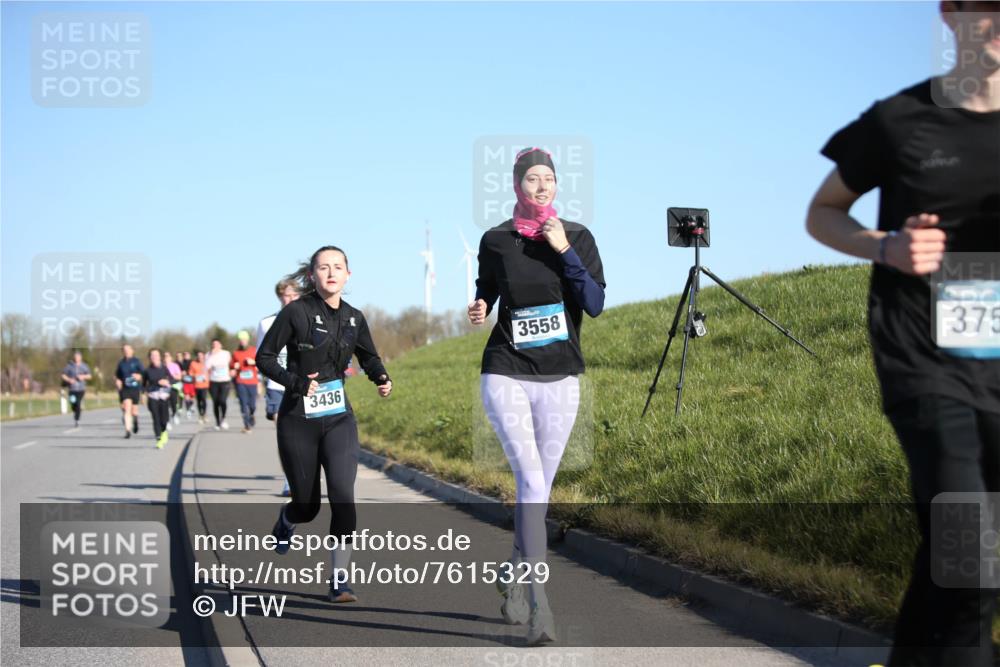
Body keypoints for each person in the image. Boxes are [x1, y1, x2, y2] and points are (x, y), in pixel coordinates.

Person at [806, 4, 999, 664]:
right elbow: (823, 212)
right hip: (926, 357)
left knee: (968, 570)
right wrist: (887, 246)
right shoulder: (900, 119)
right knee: (969, 546)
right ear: (951, 14)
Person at [469, 147, 606, 644]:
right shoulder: (496, 240)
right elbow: (487, 287)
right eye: (532, 179)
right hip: (506, 369)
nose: (541, 186)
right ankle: (540, 606)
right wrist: (482, 304)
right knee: (529, 481)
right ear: (516, 186)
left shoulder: (579, 237)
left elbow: (593, 304)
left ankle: (512, 574)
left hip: (561, 375)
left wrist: (564, 249)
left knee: (537, 494)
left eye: (549, 178)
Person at [256, 245, 392, 603]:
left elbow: (368, 355)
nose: (331, 273)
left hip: (338, 419)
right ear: (312, 276)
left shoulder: (354, 317)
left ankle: (340, 580)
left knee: (344, 498)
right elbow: (264, 358)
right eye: (323, 267)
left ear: (348, 275)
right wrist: (298, 382)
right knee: (307, 506)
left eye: (338, 267)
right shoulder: (296, 313)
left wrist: (380, 376)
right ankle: (288, 520)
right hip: (297, 420)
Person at [256, 278, 303, 496]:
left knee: (304, 436)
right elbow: (261, 357)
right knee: (285, 436)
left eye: (295, 294)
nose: (291, 298)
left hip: (303, 386)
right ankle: (290, 481)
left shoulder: (308, 320)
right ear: (279, 297)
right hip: (277, 385)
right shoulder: (266, 324)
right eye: (287, 295)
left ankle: (307, 474)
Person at [142, 348, 173, 449]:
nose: (154, 357)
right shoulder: (147, 371)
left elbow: (172, 379)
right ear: (150, 358)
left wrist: (167, 382)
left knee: (164, 420)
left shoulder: (164, 368)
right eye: (152, 355)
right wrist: (143, 393)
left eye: (156, 355)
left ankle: (164, 431)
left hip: (163, 396)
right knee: (155, 417)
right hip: (152, 395)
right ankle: (158, 438)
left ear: (160, 357)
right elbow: (143, 384)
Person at [114, 344, 144, 439]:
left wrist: (139, 376)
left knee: (134, 410)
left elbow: (143, 373)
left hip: (135, 388)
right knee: (127, 408)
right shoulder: (121, 363)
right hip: (125, 388)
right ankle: (127, 431)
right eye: (124, 350)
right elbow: (117, 376)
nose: (126, 351)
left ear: (132, 350)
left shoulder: (137, 361)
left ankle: (135, 420)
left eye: (128, 349)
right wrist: (117, 381)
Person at [205, 338, 232, 430]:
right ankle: (217, 422)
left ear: (221, 345)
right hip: (214, 381)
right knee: (215, 402)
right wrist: (212, 355)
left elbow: (226, 363)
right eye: (213, 345)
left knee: (222, 401)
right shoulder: (208, 355)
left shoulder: (226, 353)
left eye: (217, 344)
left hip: (225, 380)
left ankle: (223, 419)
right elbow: (207, 366)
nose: (215, 346)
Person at [60, 350, 92, 428]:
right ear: (74, 358)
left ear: (80, 358)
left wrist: (83, 377)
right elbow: (63, 375)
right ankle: (77, 411)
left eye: (78, 357)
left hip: (81, 389)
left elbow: (90, 376)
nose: (76, 358)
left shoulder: (84, 366)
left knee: (77, 403)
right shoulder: (69, 366)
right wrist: (69, 380)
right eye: (75, 357)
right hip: (72, 389)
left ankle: (77, 419)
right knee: (73, 403)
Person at [163, 352, 183, 429]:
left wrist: (172, 376)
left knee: (173, 403)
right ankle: (167, 421)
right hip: (164, 388)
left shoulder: (175, 366)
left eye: (167, 356)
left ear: (171, 358)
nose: (166, 358)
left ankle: (174, 415)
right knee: (165, 405)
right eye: (164, 356)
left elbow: (179, 377)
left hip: (174, 386)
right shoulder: (162, 366)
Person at [189, 350, 210, 423]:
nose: (200, 357)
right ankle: (200, 415)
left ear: (204, 356)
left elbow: (211, 372)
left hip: (205, 385)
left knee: (204, 399)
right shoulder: (193, 363)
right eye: (198, 356)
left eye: (201, 356)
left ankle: (204, 414)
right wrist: (196, 376)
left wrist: (206, 377)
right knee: (199, 400)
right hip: (197, 385)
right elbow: (190, 374)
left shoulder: (207, 363)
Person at [180, 352, 196, 418]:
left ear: (189, 355)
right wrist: (181, 372)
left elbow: (196, 370)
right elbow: (179, 371)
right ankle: (188, 410)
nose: (186, 356)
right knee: (186, 396)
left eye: (187, 355)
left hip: (192, 381)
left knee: (192, 397)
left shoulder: (193, 362)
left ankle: (192, 405)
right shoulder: (181, 363)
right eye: (184, 355)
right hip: (185, 382)